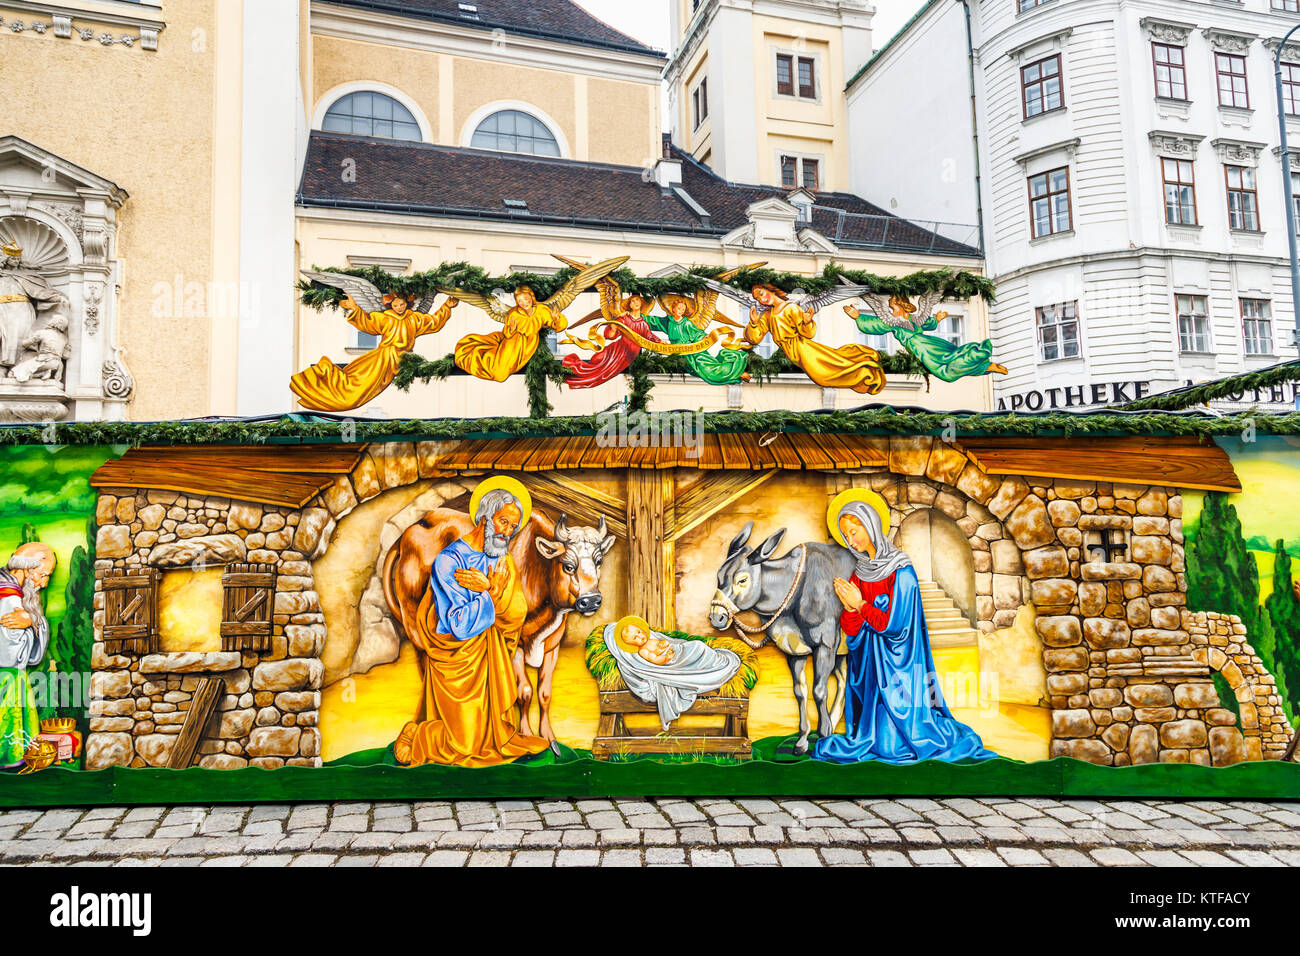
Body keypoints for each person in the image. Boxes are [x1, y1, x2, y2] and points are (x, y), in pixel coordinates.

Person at [813, 494, 994, 764]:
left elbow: (894, 627)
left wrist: (860, 604)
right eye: (846, 535)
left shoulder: (902, 571)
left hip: (900, 670)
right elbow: (852, 632)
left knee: (889, 747)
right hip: (873, 673)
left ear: (871, 525)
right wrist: (851, 609)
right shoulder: (860, 573)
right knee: (875, 743)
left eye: (855, 531)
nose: (851, 540)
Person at [393, 484, 549, 768]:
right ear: (485, 518)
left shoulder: (503, 561)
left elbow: (515, 613)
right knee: (462, 745)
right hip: (455, 658)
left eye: (513, 526)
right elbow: (459, 624)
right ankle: (417, 735)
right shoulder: (449, 561)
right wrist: (491, 594)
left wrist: (490, 589)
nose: (507, 532)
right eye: (503, 522)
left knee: (487, 742)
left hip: (490, 658)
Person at [290, 291, 457, 411]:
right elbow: (368, 323)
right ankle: (326, 386)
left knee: (360, 390)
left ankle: (337, 394)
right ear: (390, 305)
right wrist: (354, 307)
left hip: (400, 359)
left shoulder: (414, 318)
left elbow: (434, 323)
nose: (399, 308)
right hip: (382, 358)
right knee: (355, 385)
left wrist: (447, 307)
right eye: (396, 304)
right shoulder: (385, 317)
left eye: (402, 304)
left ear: (407, 303)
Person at [0, 543, 55, 769]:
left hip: (13, 678)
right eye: (42, 575)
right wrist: (33, 622)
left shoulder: (15, 595)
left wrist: (33, 621)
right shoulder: (9, 599)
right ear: (27, 569)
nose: (44, 583)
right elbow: (12, 650)